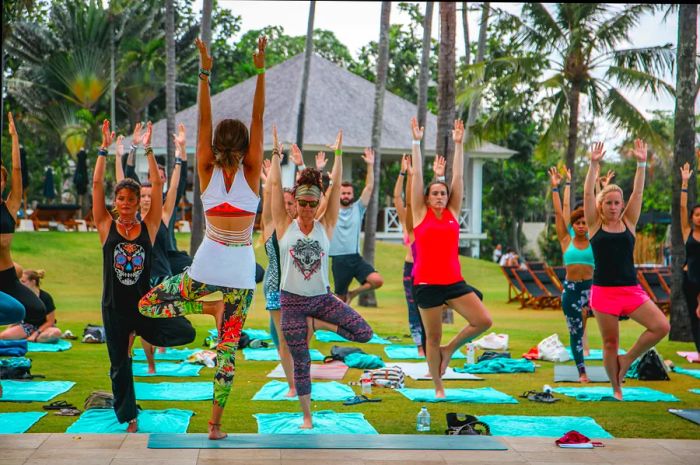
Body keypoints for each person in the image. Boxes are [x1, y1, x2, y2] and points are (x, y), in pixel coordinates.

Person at [138, 37, 266, 440]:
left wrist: (205, 71)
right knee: (227, 354)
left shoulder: (207, 169)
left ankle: (207, 307)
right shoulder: (253, 168)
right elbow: (259, 119)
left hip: (207, 268)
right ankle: (214, 427)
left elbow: (204, 123)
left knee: (148, 304)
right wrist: (260, 71)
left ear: (214, 146)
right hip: (242, 274)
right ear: (246, 146)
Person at [93, 119, 195, 432]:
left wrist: (149, 148)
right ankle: (130, 416)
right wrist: (103, 150)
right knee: (119, 363)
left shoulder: (148, 228)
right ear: (115, 202)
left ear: (139, 203)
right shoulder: (105, 226)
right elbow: (97, 186)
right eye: (120, 200)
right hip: (114, 308)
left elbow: (159, 184)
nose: (125, 205)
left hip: (143, 305)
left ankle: (145, 336)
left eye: (131, 200)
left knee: (185, 333)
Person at [269, 126, 373, 429]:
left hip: (322, 300)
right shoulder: (283, 225)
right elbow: (275, 187)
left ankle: (317, 324)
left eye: (313, 203)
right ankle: (307, 416)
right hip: (291, 301)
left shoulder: (324, 225)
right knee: (301, 361)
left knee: (363, 333)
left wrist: (339, 155)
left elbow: (336, 182)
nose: (307, 208)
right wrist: (276, 154)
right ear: (296, 202)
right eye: (302, 203)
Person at [409, 117, 492, 398]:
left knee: (483, 321)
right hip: (426, 285)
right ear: (427, 197)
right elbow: (417, 178)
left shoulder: (452, 215)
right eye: (435, 193)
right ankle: (438, 385)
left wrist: (459, 144)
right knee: (432, 337)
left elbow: (458, 178)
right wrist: (416, 143)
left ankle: (450, 350)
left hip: (454, 282)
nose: (441, 196)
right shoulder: (420, 214)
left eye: (443, 193)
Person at [583, 140, 670, 400]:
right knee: (610, 343)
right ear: (601, 206)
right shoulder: (594, 225)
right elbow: (588, 194)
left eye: (616, 202)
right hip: (603, 293)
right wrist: (593, 163)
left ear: (622, 205)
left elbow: (638, 194)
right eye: (608, 202)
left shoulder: (629, 222)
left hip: (630, 291)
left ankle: (628, 359)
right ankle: (616, 386)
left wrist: (641, 163)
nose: (613, 206)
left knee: (661, 326)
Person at [115, 124, 188, 374]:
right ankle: (140, 360)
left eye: (149, 196)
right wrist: (126, 151)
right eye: (142, 196)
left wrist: (181, 157)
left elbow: (175, 189)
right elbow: (122, 181)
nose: (146, 199)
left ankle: (153, 358)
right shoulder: (133, 222)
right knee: (136, 324)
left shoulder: (162, 217)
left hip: (163, 278)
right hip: (140, 279)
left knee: (157, 321)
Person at [549, 166, 594, 382]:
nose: (582, 226)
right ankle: (582, 372)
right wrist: (557, 187)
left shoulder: (596, 241)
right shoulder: (566, 241)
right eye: (578, 223)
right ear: (573, 225)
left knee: (606, 327)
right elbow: (561, 211)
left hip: (593, 291)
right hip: (572, 291)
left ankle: (617, 367)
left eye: (585, 222)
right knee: (576, 332)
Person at [0, 112, 44, 328]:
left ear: (3, 182)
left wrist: (15, 137)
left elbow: (17, 171)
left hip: (7, 278)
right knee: (15, 310)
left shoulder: (9, 208)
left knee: (37, 310)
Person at [258, 158, 297, 397]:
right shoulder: (270, 225)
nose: (285, 207)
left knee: (297, 338)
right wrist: (271, 176)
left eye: (289, 203)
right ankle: (293, 385)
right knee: (283, 340)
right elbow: (268, 199)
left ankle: (296, 375)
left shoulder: (303, 226)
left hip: (300, 288)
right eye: (281, 203)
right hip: (275, 287)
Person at [328, 147, 384, 304]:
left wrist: (370, 165)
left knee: (377, 280)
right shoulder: (331, 209)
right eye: (343, 193)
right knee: (339, 300)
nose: (345, 196)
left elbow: (369, 187)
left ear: (352, 195)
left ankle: (353, 293)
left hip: (355, 257)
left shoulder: (358, 208)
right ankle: (336, 325)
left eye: (348, 193)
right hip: (338, 259)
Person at [393, 154, 424, 351]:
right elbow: (398, 197)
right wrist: (404, 173)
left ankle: (429, 340)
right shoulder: (406, 219)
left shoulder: (426, 218)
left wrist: (413, 176)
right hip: (410, 267)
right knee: (413, 306)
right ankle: (420, 344)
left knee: (428, 306)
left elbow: (414, 199)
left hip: (427, 267)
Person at [0, 269, 61, 342]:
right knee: (3, 336)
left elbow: (50, 321)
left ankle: (34, 337)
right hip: (27, 326)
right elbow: (19, 315)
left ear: (33, 282)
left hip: (44, 327)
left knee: (55, 333)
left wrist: (35, 334)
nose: (20, 284)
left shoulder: (45, 297)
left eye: (23, 281)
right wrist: (10, 329)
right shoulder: (22, 296)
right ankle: (30, 337)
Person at [680, 162, 700, 352]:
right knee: (695, 315)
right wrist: (685, 183)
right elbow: (682, 208)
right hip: (690, 279)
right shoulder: (687, 232)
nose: (699, 217)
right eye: (697, 215)